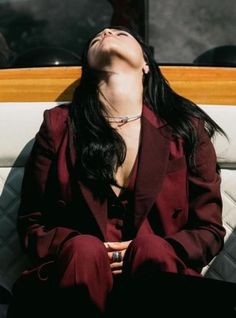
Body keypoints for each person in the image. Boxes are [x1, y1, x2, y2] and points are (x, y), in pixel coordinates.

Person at [8, 26, 228, 317]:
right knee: (85, 251)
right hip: (73, 279)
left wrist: (154, 248)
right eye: (96, 37)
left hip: (159, 279)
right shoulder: (59, 126)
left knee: (152, 250)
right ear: (88, 66)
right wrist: (89, 250)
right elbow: (32, 224)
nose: (108, 30)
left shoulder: (185, 128)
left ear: (146, 64)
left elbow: (209, 229)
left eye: (123, 34)